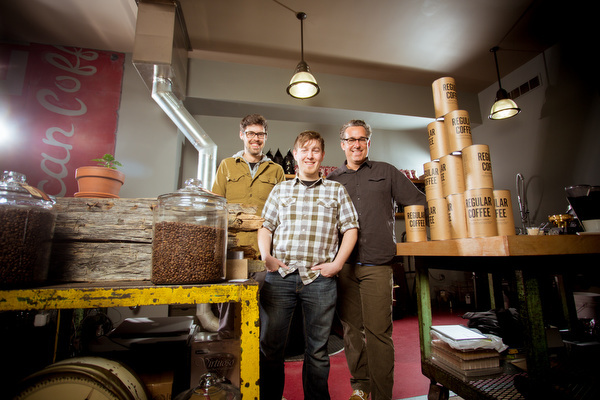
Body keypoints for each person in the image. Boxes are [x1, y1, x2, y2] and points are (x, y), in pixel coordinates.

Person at [327, 120, 427, 400]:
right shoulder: (332, 180)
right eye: (350, 139)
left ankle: (382, 395)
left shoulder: (387, 172)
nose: (356, 144)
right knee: (351, 331)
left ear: (368, 143)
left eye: (362, 139)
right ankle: (360, 386)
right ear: (342, 144)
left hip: (378, 266)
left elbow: (418, 202)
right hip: (345, 266)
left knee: (379, 334)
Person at [258, 130, 359, 400]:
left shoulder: (336, 190)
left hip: (320, 281)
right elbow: (266, 227)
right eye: (304, 150)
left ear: (322, 156)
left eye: (315, 150)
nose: (309, 155)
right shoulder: (279, 190)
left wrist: (337, 264)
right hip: (280, 277)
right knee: (271, 348)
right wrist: (265, 256)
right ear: (295, 154)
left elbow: (350, 229)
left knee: (317, 351)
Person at [211, 114, 285, 337]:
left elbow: (283, 214)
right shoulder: (226, 166)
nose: (256, 138)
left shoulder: (277, 171)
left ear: (265, 137)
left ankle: (260, 368)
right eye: (251, 133)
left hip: (264, 254)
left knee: (264, 317)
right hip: (233, 254)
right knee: (229, 316)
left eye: (260, 134)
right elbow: (217, 208)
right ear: (242, 135)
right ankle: (230, 367)